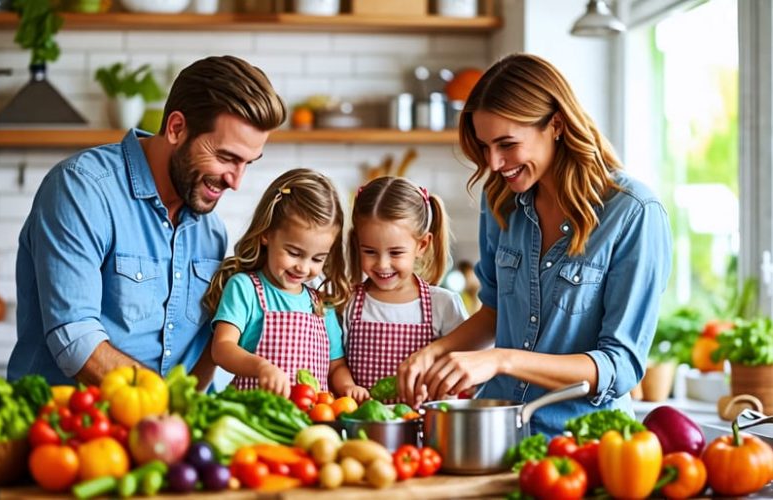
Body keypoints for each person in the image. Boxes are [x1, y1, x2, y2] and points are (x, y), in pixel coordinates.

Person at [397, 53, 673, 436]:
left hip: (584, 447)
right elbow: (494, 312)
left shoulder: (632, 213)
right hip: (501, 436)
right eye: (484, 146)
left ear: (556, 124)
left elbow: (619, 366)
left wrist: (502, 360)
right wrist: (432, 352)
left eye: (507, 144)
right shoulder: (501, 203)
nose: (494, 163)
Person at [7, 55, 286, 388]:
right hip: (69, 427)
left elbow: (200, 358)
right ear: (176, 128)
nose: (235, 181)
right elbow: (76, 341)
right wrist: (163, 408)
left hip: (161, 434)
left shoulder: (210, 231)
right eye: (226, 157)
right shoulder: (82, 190)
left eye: (248, 163)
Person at [203, 168, 352, 397]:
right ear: (267, 234)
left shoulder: (321, 305)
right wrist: (260, 367)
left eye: (317, 258)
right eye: (293, 252)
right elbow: (222, 348)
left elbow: (336, 366)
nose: (303, 267)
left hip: (309, 422)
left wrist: (348, 387)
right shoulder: (245, 288)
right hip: (256, 416)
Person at [340, 176, 468, 403]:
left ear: (422, 245)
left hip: (426, 429)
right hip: (364, 428)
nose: (382, 264)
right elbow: (335, 364)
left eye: (396, 253)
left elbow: (464, 367)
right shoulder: (347, 302)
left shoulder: (443, 305)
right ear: (356, 243)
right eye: (369, 251)